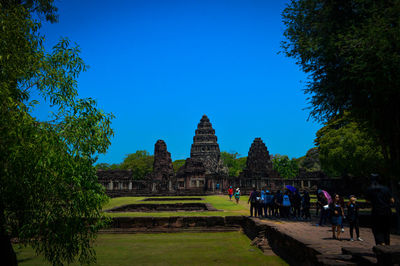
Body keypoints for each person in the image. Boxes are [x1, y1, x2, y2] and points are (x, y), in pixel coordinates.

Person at [366, 173, 395, 245]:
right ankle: (387, 245)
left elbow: (367, 201)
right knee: (386, 230)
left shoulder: (370, 189)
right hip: (387, 211)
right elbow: (392, 200)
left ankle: (380, 243)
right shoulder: (386, 189)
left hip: (376, 211)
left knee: (377, 229)